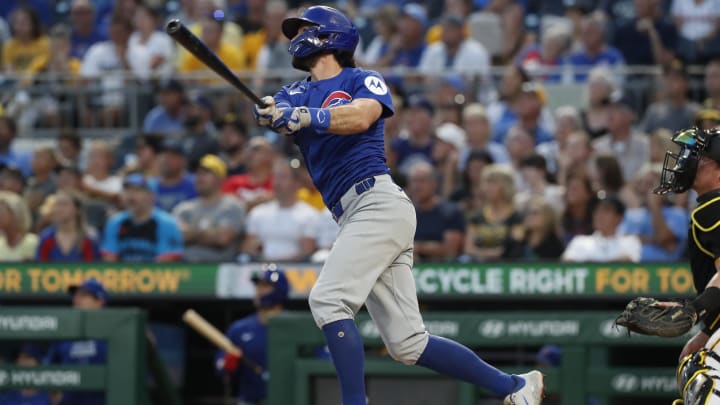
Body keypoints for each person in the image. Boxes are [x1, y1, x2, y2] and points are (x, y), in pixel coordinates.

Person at [251, 6, 544, 405]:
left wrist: (301, 116)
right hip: (353, 213)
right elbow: (280, 111)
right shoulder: (293, 92)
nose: (296, 36)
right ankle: (514, 386)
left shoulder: (361, 78)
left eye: (305, 29)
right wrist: (270, 113)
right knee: (408, 343)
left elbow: (360, 116)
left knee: (327, 299)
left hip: (377, 201)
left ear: (330, 35)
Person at [650, 127, 720, 366]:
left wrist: (695, 309)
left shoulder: (713, 208)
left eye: (699, 157)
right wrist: (709, 331)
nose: (687, 160)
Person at [216, 266, 289, 405]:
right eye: (257, 286)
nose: (259, 291)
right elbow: (221, 370)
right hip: (250, 400)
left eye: (265, 286)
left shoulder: (295, 327)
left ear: (279, 290)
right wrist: (228, 363)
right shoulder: (240, 329)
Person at [45, 278, 108, 405]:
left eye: (84, 295)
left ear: (100, 302)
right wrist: (54, 394)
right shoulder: (64, 333)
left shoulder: (114, 331)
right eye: (76, 295)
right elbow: (50, 366)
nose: (77, 300)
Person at [173, 155, 246, 262]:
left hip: (220, 270)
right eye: (198, 173)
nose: (200, 177)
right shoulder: (183, 208)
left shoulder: (232, 205)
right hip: (186, 268)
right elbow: (175, 236)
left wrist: (191, 233)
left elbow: (223, 238)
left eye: (206, 173)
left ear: (220, 178)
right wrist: (210, 234)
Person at [101, 173, 184, 262]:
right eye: (127, 190)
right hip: (123, 275)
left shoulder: (166, 223)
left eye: (137, 190)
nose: (130, 196)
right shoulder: (115, 222)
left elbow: (166, 264)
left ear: (151, 196)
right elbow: (109, 262)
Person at [36, 190, 100, 262]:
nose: (58, 209)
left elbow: (95, 268)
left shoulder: (89, 237)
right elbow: (40, 268)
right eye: (56, 205)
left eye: (64, 204)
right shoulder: (46, 237)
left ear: (77, 209)